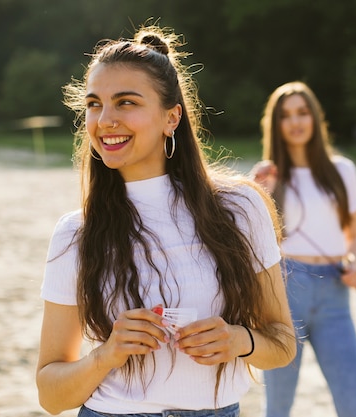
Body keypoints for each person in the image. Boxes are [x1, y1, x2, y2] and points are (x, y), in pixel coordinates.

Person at [36, 26, 296, 417]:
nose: (105, 120)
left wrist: (238, 339)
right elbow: (51, 396)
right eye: (94, 104)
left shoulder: (240, 209)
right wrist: (107, 355)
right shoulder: (76, 233)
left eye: (126, 103)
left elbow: (283, 344)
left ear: (171, 117)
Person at [251, 81, 356, 417]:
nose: (296, 122)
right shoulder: (268, 176)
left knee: (354, 402)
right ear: (276, 124)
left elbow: (354, 237)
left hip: (335, 291)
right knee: (278, 406)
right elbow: (254, 242)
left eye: (303, 112)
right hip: (287, 289)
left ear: (315, 118)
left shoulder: (342, 170)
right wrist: (260, 191)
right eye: (286, 116)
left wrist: (355, 264)